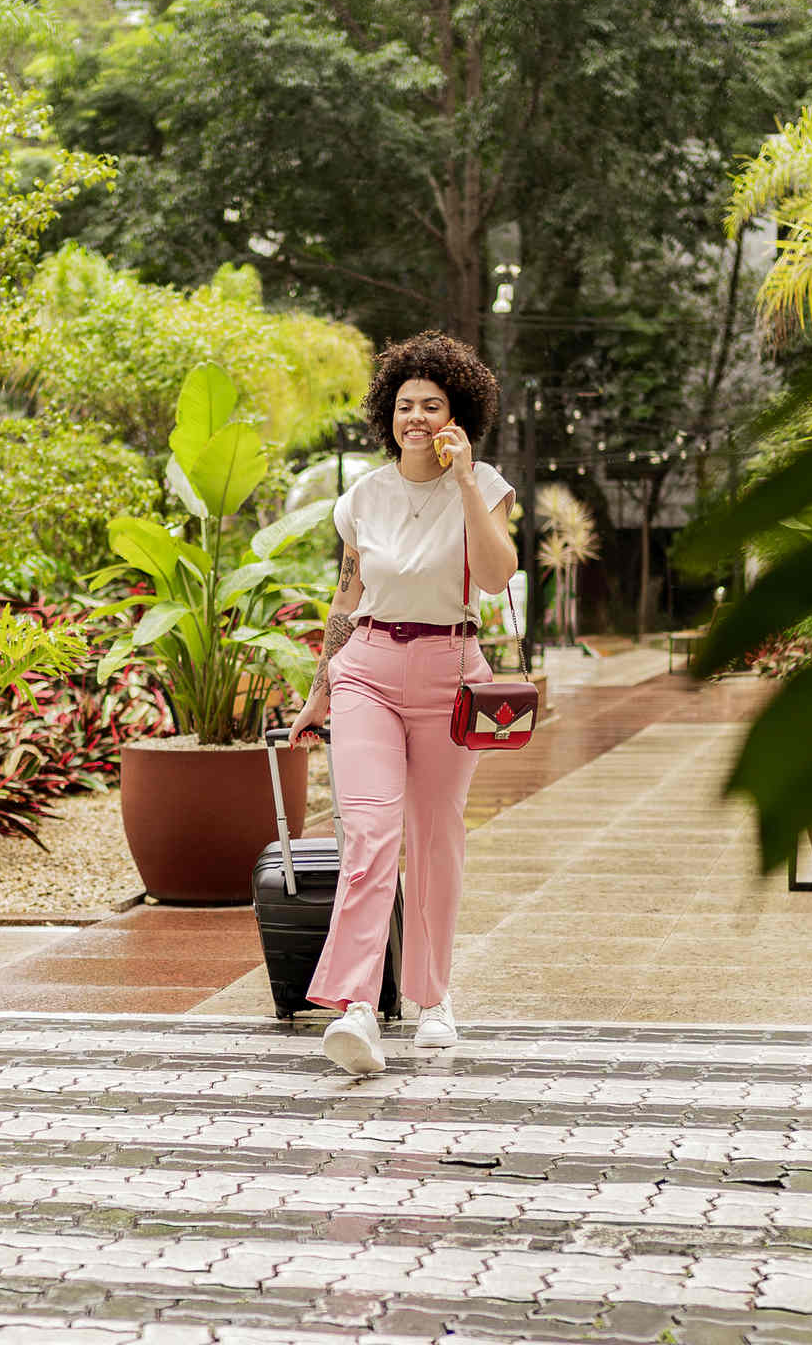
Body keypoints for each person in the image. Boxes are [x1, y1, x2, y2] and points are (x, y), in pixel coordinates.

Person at [285, 330, 517, 1076]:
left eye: (434, 405)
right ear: (388, 412)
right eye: (406, 404)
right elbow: (347, 597)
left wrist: (466, 484)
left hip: (451, 670)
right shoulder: (363, 498)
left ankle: (434, 999)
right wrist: (320, 689)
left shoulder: (485, 486)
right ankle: (356, 1006)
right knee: (371, 831)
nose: (417, 417)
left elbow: (494, 575)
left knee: (437, 836)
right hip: (370, 671)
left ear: (459, 414)